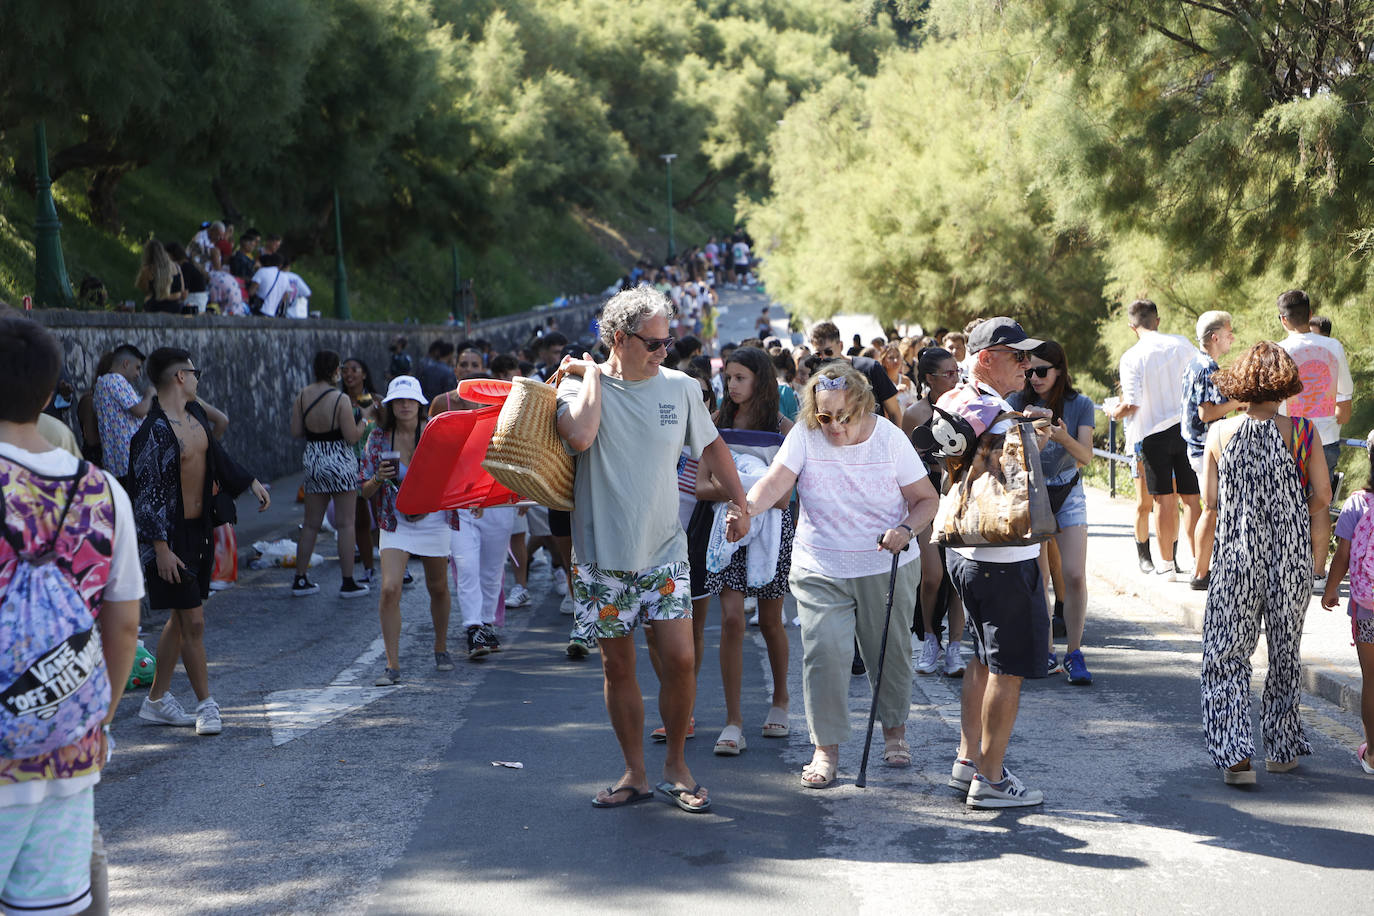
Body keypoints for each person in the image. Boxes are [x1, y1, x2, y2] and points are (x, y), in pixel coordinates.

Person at [556, 286, 751, 813]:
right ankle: (635, 772)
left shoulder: (682, 388)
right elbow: (579, 438)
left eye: (668, 342)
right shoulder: (576, 390)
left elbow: (712, 447)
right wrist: (595, 375)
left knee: (682, 660)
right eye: (654, 343)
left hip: (665, 550)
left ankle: (676, 767)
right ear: (619, 339)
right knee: (618, 670)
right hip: (602, 556)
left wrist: (741, 504)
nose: (665, 351)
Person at [728, 360, 938, 788]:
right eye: (825, 417)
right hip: (820, 563)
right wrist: (747, 508)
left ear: (863, 405)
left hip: (885, 561)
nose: (835, 427)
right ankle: (825, 749)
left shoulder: (890, 439)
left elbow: (925, 500)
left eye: (844, 416)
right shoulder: (806, 435)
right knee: (824, 655)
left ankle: (894, 733)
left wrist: (905, 529)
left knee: (890, 652)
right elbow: (773, 483)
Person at [0, 315, 141, 916]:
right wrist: (91, 720)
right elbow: (125, 624)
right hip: (68, 754)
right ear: (51, 389)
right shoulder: (103, 492)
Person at [1200, 342, 1329, 785]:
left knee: (1226, 655)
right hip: (1290, 559)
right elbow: (1324, 499)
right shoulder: (1303, 432)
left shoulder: (1219, 433)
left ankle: (1236, 756)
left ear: (1241, 384)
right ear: (1286, 384)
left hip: (1237, 557)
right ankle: (1282, 747)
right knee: (1284, 653)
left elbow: (1209, 500)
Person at [936, 317, 1053, 808]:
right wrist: (1032, 441)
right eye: (1018, 356)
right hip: (1005, 557)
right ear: (986, 359)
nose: (1028, 366)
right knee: (1006, 670)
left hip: (965, 553)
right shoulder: (995, 411)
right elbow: (1010, 482)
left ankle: (969, 761)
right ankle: (991, 779)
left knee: (982, 660)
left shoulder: (955, 401)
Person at [130, 348, 270, 736]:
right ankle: (206, 705)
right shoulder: (152, 434)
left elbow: (217, 457)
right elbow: (147, 497)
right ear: (179, 377)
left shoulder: (194, 417)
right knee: (192, 618)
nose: (197, 379)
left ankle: (156, 701)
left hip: (198, 533)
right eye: (194, 373)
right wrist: (159, 548)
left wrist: (249, 481)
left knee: (180, 618)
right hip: (168, 539)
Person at [692, 347, 795, 756]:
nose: (731, 386)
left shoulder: (785, 429)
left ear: (760, 381)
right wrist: (748, 495)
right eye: (728, 378)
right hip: (727, 529)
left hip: (772, 530)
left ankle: (781, 700)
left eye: (740, 378)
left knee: (771, 621)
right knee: (732, 620)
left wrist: (740, 495)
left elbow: (785, 500)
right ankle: (733, 721)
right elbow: (701, 486)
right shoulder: (714, 422)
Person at [360, 377, 460, 684]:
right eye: (399, 400)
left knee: (438, 587)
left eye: (410, 400)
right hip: (395, 520)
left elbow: (455, 473)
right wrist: (378, 478)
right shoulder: (377, 438)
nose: (405, 405)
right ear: (390, 405)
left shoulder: (434, 434)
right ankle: (392, 665)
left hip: (433, 518)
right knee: (390, 589)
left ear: (420, 404)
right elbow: (364, 491)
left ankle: (441, 647)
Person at [1009, 340, 1096, 684]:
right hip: (1032, 493)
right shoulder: (1016, 402)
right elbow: (1013, 455)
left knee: (1074, 574)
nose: (1034, 378)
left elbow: (1086, 456)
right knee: (1039, 580)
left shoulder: (1081, 404)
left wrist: (1060, 436)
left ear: (1060, 370)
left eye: (1042, 371)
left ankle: (1074, 651)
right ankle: (1046, 652)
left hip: (1068, 488)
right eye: (1029, 371)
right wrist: (1034, 433)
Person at [1117, 299, 1201, 581]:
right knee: (1191, 499)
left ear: (1132, 326)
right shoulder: (1183, 344)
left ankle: (1166, 565)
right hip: (1186, 429)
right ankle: (1200, 563)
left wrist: (1114, 412)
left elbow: (1132, 402)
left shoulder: (1132, 356)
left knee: (1163, 500)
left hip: (1152, 433)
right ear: (1158, 320)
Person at [1276, 289, 1351, 587]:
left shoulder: (1278, 350)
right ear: (1310, 314)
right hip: (1327, 437)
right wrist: (1333, 424)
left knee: (1286, 504)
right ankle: (1318, 574)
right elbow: (1344, 402)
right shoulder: (1333, 346)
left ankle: (1286, 570)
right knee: (1320, 505)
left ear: (1283, 319)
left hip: (1289, 436)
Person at [901, 347, 966, 677]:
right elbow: (903, 464)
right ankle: (930, 637)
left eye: (958, 371)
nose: (956, 378)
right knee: (933, 575)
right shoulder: (914, 414)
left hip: (960, 496)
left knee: (957, 578)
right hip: (926, 498)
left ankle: (955, 646)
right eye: (949, 373)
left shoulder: (968, 407)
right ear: (929, 379)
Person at [289, 351, 371, 599]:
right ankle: (347, 582)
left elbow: (295, 431)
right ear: (335, 370)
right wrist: (364, 419)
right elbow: (352, 436)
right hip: (339, 460)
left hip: (314, 458)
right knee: (346, 524)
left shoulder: (303, 395)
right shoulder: (340, 399)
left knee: (311, 523)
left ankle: (300, 579)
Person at [1321, 431, 1374, 775]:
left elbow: (1341, 556)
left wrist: (1330, 590)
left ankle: (1372, 754)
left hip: (1367, 605)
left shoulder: (1358, 503)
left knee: (1372, 679)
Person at [1181, 311, 1238, 591]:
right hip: (1206, 448)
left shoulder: (1196, 363)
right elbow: (1206, 414)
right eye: (1229, 334)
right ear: (1215, 337)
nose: (1232, 338)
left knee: (1211, 508)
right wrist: (1238, 402)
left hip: (1198, 446)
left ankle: (1202, 568)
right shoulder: (1206, 368)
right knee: (1212, 508)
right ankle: (1201, 572)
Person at [808, 321, 901, 424]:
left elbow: (894, 412)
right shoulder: (819, 378)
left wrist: (894, 439)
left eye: (828, 352)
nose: (824, 357)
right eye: (818, 354)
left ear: (841, 346)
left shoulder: (870, 368)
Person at [341, 357, 381, 585]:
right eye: (345, 370)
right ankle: (368, 568)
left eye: (354, 370)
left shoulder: (375, 401)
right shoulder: (339, 401)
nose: (349, 374)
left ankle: (397, 566)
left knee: (384, 518)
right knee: (360, 521)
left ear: (364, 374)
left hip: (377, 465)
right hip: (350, 466)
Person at [93, 343, 153, 488]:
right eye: (137, 367)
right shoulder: (116, 381)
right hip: (130, 460)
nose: (139, 374)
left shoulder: (101, 384)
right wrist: (149, 394)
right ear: (126, 363)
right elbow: (140, 411)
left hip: (114, 463)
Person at [135, 240, 186, 314]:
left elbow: (144, 289)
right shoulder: (177, 267)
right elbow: (182, 291)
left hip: (155, 308)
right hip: (175, 309)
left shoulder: (148, 270)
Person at [246, 253, 290, 317]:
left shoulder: (262, 271)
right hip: (273, 313)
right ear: (280, 265)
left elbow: (251, 292)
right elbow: (285, 296)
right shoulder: (285, 277)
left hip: (259, 310)